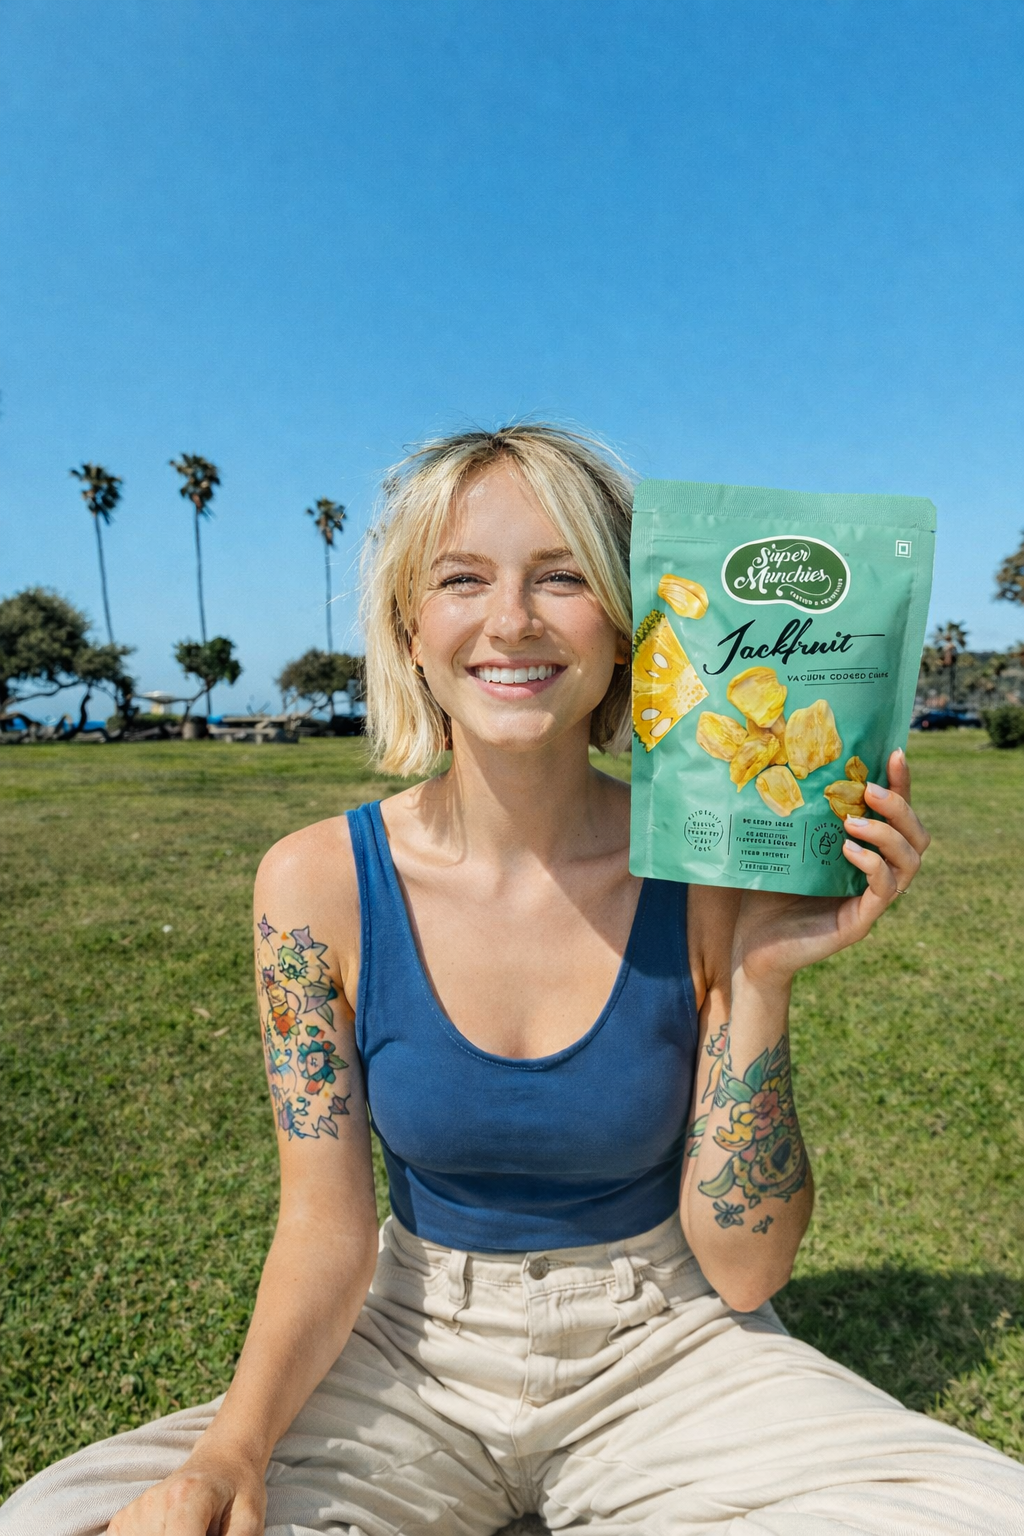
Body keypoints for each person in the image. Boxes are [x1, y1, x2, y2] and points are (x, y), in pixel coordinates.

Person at [3, 424, 1022, 1536]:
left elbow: (745, 1272)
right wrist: (230, 1456)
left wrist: (761, 978)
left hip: (666, 1344)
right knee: (61, 1519)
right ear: (411, 628)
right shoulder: (314, 885)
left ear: (627, 625)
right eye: (462, 579)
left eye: (562, 577)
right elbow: (324, 1225)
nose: (512, 620)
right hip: (409, 1346)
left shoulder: (706, 873)